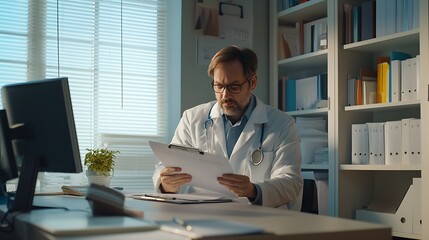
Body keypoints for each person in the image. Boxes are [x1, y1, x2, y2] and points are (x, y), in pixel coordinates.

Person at [152, 46, 302, 208]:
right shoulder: (192, 118)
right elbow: (165, 166)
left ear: (252, 82)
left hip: (255, 217)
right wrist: (166, 184)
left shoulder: (282, 124)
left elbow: (291, 181)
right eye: (219, 86)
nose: (225, 95)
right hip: (201, 216)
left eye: (234, 87)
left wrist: (254, 190)